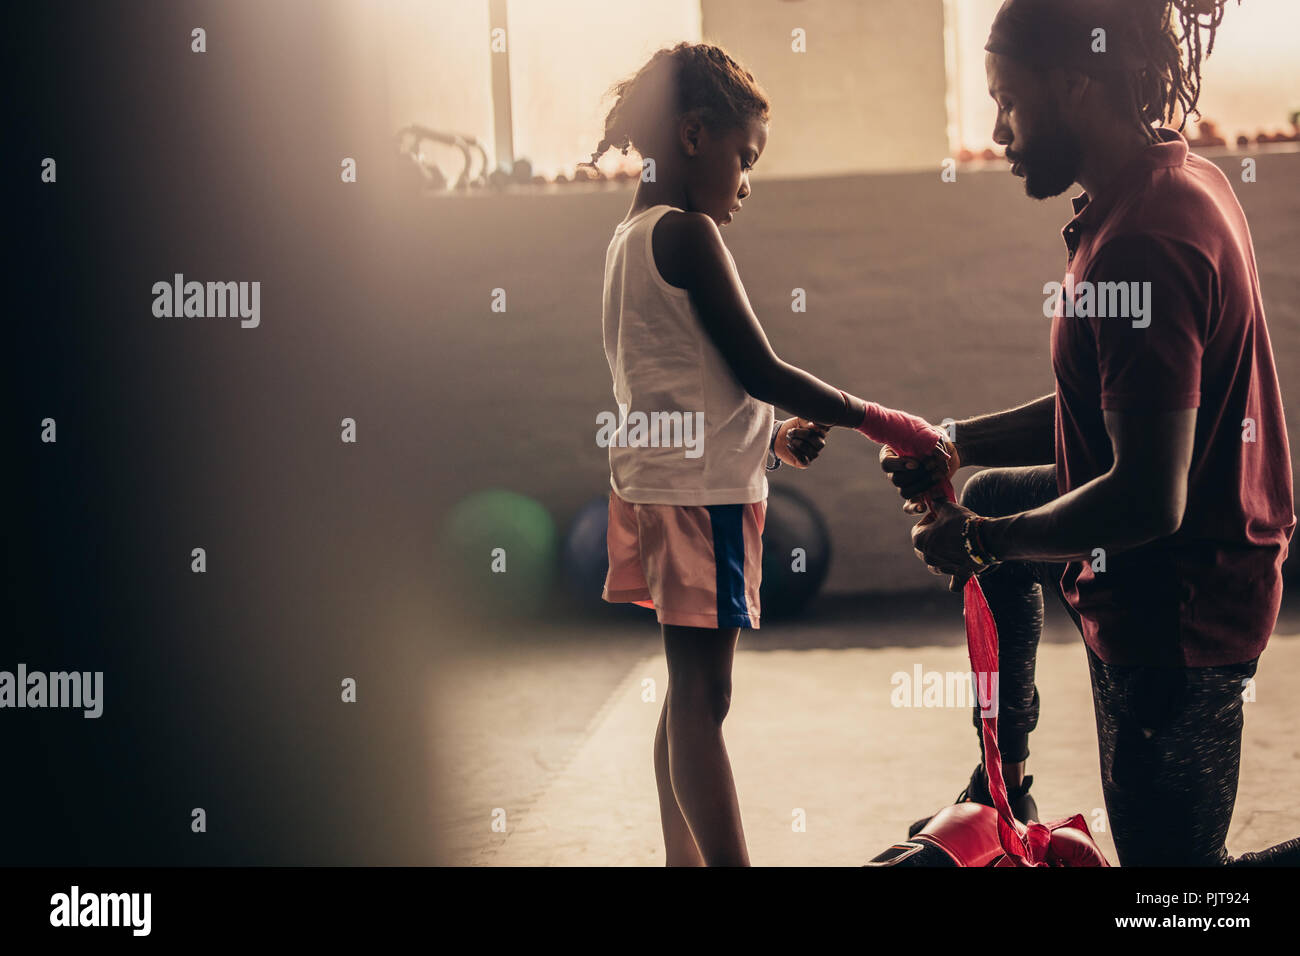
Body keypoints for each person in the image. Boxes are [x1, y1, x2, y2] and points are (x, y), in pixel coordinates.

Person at [892, 0, 1299, 866]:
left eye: (1008, 101)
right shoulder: (1170, 185)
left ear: (1073, 83)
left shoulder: (1143, 242)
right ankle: (1009, 765)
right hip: (1178, 553)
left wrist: (985, 542)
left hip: (1177, 601)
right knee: (992, 490)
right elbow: (1114, 408)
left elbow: (1149, 497)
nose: (998, 129)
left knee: (1176, 896)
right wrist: (956, 443)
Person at [588, 42, 927, 866]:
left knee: (687, 694)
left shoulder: (628, 238)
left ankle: (685, 860)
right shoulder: (691, 235)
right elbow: (761, 368)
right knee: (707, 698)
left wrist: (770, 436)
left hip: (657, 489)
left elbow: (685, 384)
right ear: (696, 134)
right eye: (745, 158)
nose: (746, 183)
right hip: (702, 501)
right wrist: (882, 420)